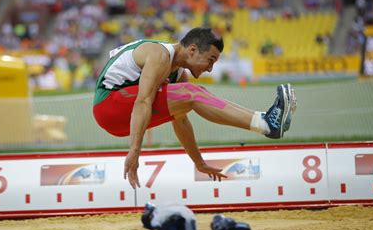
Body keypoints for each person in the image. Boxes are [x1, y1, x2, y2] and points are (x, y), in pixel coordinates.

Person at [93, 27, 296, 189]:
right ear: (192, 49)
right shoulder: (159, 55)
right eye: (211, 60)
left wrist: (198, 162)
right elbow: (143, 101)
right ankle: (266, 123)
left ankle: (266, 121)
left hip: (121, 113)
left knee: (192, 95)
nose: (210, 68)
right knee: (193, 92)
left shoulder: (177, 71)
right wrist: (134, 150)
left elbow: (180, 119)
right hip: (108, 106)